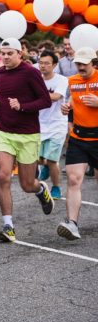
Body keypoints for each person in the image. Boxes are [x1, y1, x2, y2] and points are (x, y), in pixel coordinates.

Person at [0, 38, 53, 243]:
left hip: (28, 135)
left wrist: (22, 106)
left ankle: (40, 189)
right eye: (3, 54)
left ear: (20, 54)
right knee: (3, 176)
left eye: (10, 53)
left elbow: (45, 100)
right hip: (5, 132)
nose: (5, 57)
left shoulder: (31, 73)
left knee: (27, 184)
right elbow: (3, 102)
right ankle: (8, 226)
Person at [58, 47, 98, 240]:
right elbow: (73, 103)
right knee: (74, 180)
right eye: (78, 63)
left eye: (84, 63)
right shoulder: (72, 81)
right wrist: (67, 109)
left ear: (93, 62)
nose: (80, 67)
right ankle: (72, 223)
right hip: (79, 138)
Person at [37, 50, 69, 200]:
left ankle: (56, 187)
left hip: (57, 124)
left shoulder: (61, 80)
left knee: (51, 160)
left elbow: (56, 97)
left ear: (54, 65)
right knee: (37, 159)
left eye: (47, 63)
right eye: (41, 63)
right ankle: (46, 168)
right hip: (39, 124)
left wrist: (36, 96)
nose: (43, 66)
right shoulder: (36, 78)